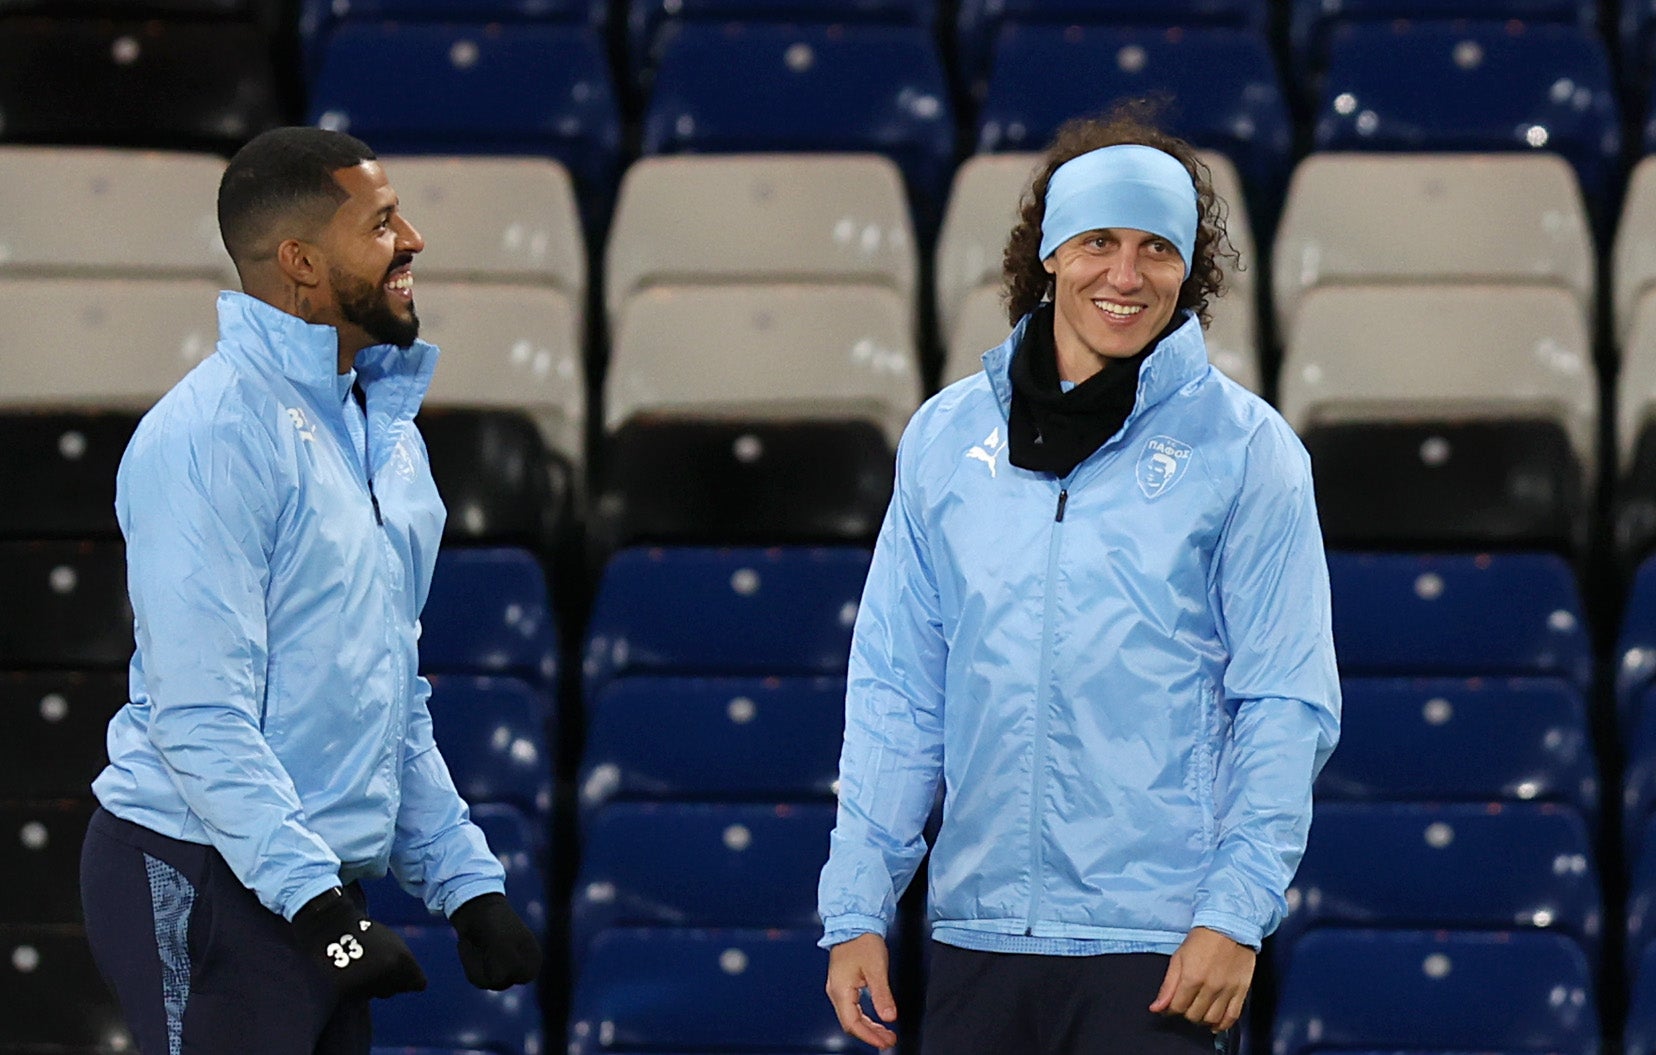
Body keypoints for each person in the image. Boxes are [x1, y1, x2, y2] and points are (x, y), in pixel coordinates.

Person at [818, 105, 1341, 1054]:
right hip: (976, 936)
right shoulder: (944, 438)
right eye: (1099, 241)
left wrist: (1235, 911)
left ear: (1190, 269)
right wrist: (857, 904)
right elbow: (898, 689)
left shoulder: (1249, 451)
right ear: (1051, 252)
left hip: (1162, 947)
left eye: (1157, 248)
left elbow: (1284, 701)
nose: (1126, 276)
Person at [79, 126, 541, 1055]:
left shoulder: (385, 437)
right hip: (200, 867)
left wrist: (465, 883)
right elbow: (202, 716)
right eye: (381, 224)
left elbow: (385, 693)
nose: (413, 240)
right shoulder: (208, 438)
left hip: (303, 880)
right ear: (300, 261)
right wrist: (321, 909)